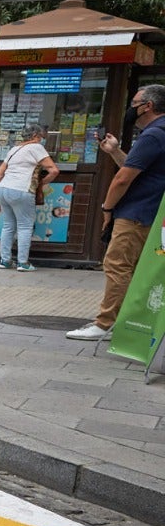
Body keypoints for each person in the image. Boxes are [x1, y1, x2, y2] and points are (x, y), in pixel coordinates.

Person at [67, 84, 165, 341]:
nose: (131, 109)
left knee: (117, 265)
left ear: (148, 106)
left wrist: (107, 208)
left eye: (134, 104)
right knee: (133, 268)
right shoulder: (159, 133)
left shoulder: (153, 135)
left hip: (136, 212)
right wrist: (114, 151)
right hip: (150, 212)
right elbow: (136, 167)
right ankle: (126, 320)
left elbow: (124, 179)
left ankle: (106, 324)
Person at [0, 124, 59, 271]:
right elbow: (54, 170)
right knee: (24, 226)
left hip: (2, 189)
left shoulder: (14, 149)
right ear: (35, 136)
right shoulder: (36, 148)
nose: (42, 140)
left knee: (8, 225)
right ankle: (23, 263)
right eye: (41, 137)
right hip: (22, 189)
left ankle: (5, 260)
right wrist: (41, 183)